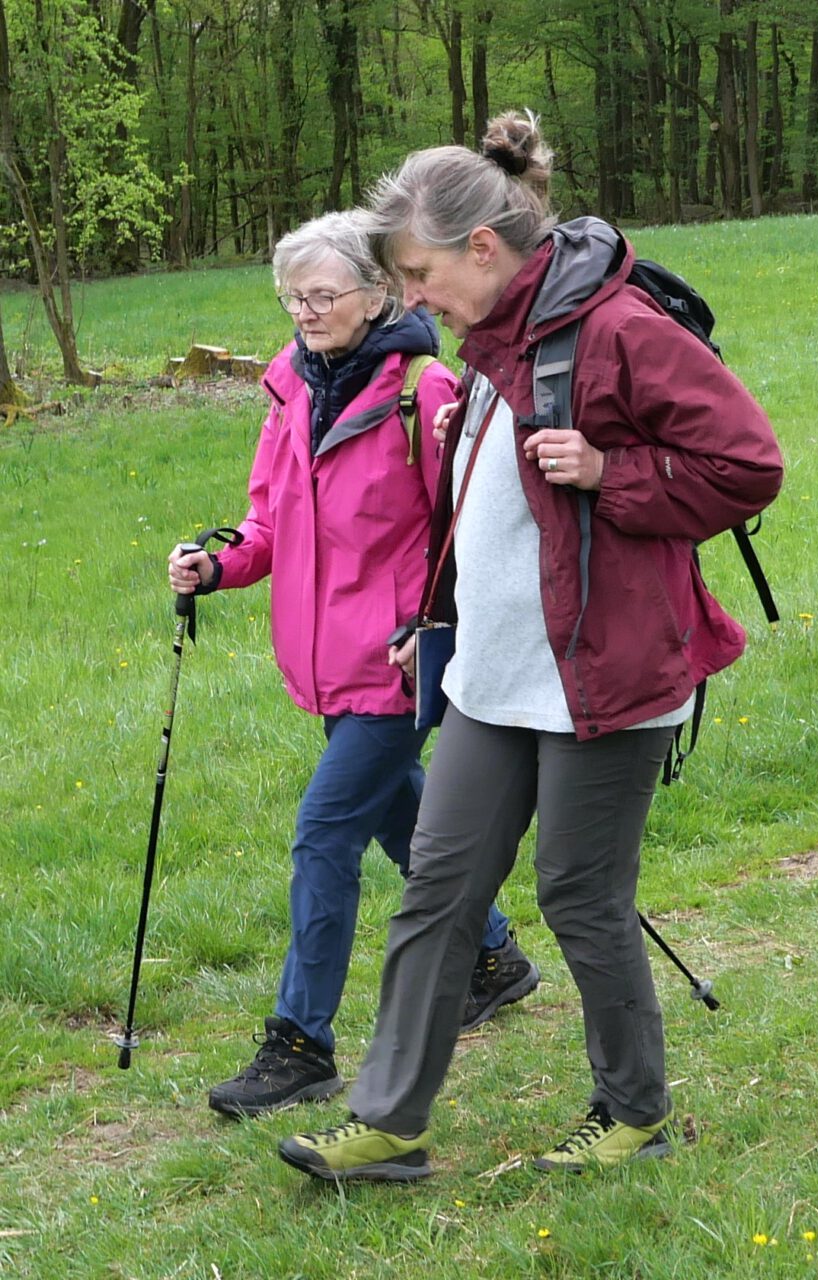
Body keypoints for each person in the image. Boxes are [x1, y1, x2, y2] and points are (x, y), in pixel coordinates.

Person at [278, 114, 783, 1180]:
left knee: (577, 893)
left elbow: (746, 464)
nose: (409, 298)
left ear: (480, 249)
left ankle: (632, 1108)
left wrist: (613, 474)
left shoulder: (617, 328)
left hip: (610, 671)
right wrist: (437, 620)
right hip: (491, 675)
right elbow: (485, 506)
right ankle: (388, 1122)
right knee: (436, 886)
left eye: (417, 273)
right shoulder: (486, 343)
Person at [167, 209, 539, 1119]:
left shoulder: (423, 386)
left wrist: (434, 624)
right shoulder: (290, 387)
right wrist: (217, 567)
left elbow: (466, 528)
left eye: (324, 293)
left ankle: (300, 1044)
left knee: (324, 832)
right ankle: (493, 956)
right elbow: (270, 522)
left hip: (396, 664)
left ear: (378, 294)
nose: (305, 310)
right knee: (395, 817)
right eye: (293, 296)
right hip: (326, 663)